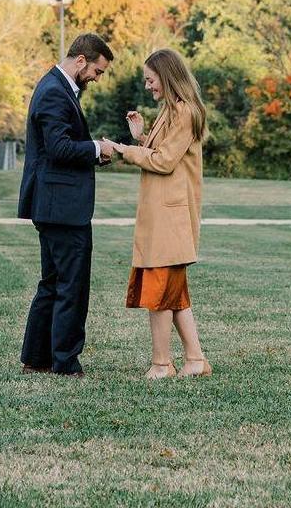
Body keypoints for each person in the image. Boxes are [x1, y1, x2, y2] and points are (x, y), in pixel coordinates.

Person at [104, 48, 211, 379]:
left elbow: (163, 161)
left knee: (160, 293)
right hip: (162, 217)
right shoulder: (171, 111)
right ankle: (195, 360)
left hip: (171, 218)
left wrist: (125, 150)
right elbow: (161, 151)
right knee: (173, 292)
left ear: (166, 76)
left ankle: (162, 364)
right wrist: (141, 137)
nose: (148, 86)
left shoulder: (185, 113)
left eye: (151, 79)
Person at [17, 32, 114, 376]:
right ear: (81, 61)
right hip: (61, 207)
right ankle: (65, 362)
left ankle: (37, 358)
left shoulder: (56, 87)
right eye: (97, 71)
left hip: (55, 204)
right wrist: (96, 149)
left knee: (53, 282)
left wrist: (93, 154)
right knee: (71, 285)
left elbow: (60, 146)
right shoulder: (55, 93)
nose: (96, 79)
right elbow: (59, 148)